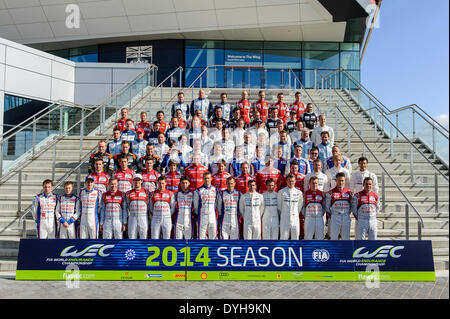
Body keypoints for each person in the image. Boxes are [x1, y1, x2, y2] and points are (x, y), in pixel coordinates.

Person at [325, 173, 353, 240]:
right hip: (335, 217)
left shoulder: (349, 193)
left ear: (345, 181)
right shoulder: (330, 193)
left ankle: (345, 250)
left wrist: (348, 213)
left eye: (342, 180)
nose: (341, 182)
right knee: (334, 238)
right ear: (336, 181)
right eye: (339, 180)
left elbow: (352, 206)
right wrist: (332, 215)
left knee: (345, 238)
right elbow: (327, 207)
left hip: (346, 217)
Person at [277, 173, 303, 240]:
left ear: (295, 181)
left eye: (292, 181)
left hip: (295, 218)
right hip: (284, 218)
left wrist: (294, 213)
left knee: (295, 237)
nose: (291, 182)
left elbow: (300, 206)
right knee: (283, 237)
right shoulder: (281, 192)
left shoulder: (299, 193)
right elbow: (279, 207)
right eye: (289, 181)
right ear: (286, 181)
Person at [194, 172, 218, 239]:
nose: (207, 180)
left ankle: (212, 249)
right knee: (201, 237)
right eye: (205, 178)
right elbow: (195, 206)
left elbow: (216, 204)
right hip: (202, 216)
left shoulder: (215, 190)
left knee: (213, 237)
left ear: (211, 179)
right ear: (203, 179)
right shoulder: (198, 190)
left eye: (208, 178)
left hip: (212, 216)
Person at [126, 174, 150, 239]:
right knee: (131, 237)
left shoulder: (147, 192)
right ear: (133, 181)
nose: (137, 182)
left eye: (138, 180)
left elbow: (149, 205)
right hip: (132, 217)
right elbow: (127, 206)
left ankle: (143, 249)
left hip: (143, 217)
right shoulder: (128, 193)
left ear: (141, 181)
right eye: (135, 180)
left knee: (143, 237)